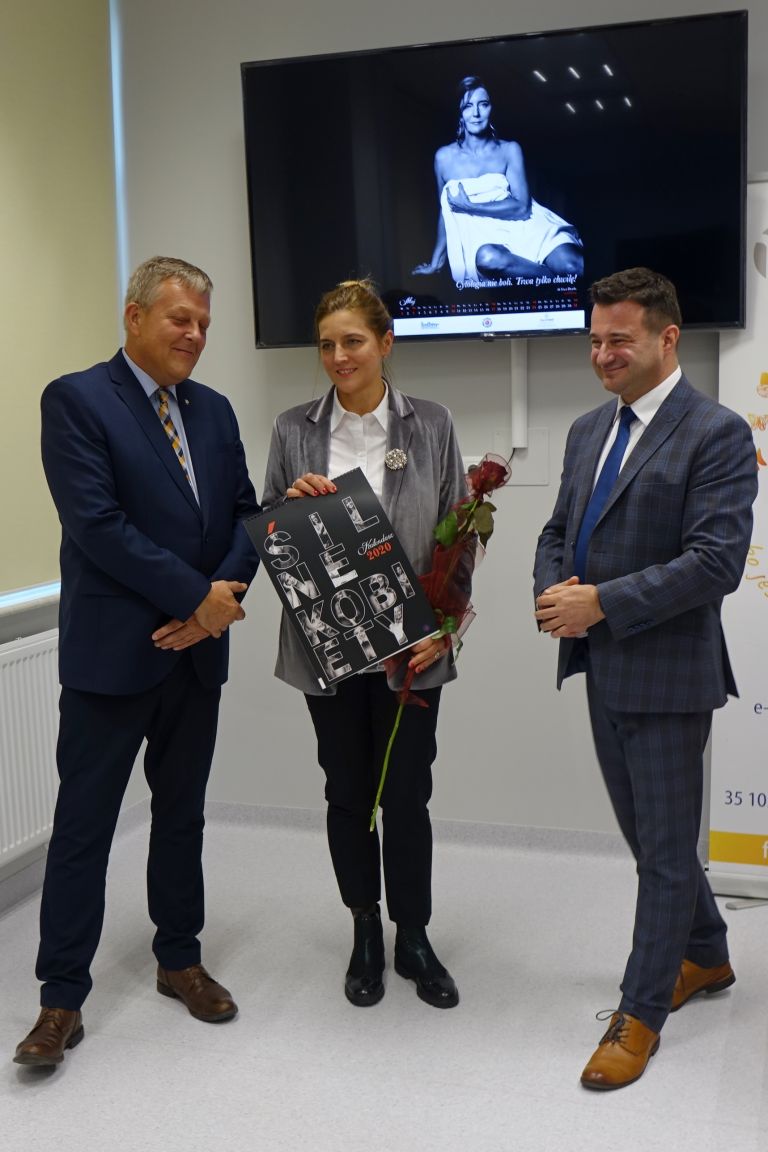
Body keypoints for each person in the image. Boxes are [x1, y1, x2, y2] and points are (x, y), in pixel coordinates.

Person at [13, 257, 260, 1068]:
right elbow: (97, 524)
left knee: (182, 816)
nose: (194, 334)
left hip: (196, 659)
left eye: (204, 324)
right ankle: (60, 1000)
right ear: (135, 316)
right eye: (180, 318)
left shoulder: (214, 412)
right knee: (83, 829)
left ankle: (178, 958)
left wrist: (216, 602)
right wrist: (197, 598)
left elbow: (244, 516)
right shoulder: (78, 400)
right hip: (113, 658)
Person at [533, 267, 757, 1091]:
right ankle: (707, 954)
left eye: (618, 340)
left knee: (662, 856)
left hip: (668, 675)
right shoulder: (589, 429)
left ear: (667, 337)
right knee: (652, 842)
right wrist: (553, 593)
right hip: (600, 666)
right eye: (594, 341)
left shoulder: (716, 433)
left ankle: (640, 1013)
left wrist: (600, 604)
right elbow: (558, 530)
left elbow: (714, 563)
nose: (603, 355)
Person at [262, 279, 466, 1009]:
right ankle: (365, 930)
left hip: (412, 650)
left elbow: (459, 531)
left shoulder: (431, 424)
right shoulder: (292, 429)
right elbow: (268, 529)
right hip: (329, 648)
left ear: (385, 342)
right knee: (347, 794)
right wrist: (289, 508)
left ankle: (414, 935)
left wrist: (445, 625)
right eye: (327, 344)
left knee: (407, 795)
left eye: (353, 341)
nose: (339, 356)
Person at [412, 75, 583, 286]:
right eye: (468, 106)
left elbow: (522, 208)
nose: (476, 113)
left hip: (525, 227)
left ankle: (561, 283)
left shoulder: (509, 150)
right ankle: (556, 283)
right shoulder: (444, 157)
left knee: (572, 267)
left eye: (483, 104)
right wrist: (436, 261)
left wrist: (470, 206)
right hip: (483, 238)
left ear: (491, 108)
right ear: (460, 112)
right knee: (487, 258)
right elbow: (445, 211)